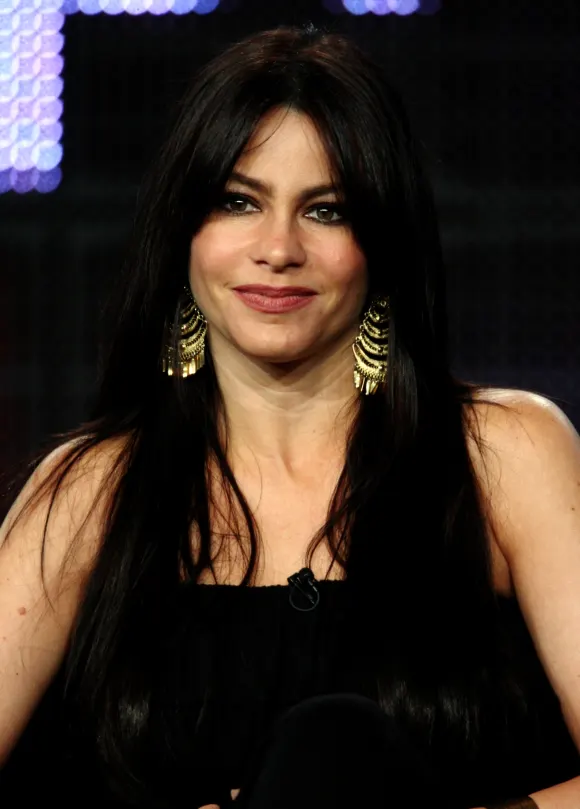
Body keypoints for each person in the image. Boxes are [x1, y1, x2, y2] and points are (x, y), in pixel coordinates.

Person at [0, 23, 579, 809]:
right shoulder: (89, 493)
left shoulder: (503, 455)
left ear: (381, 241)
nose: (278, 248)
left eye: (326, 210)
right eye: (237, 201)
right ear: (184, 232)